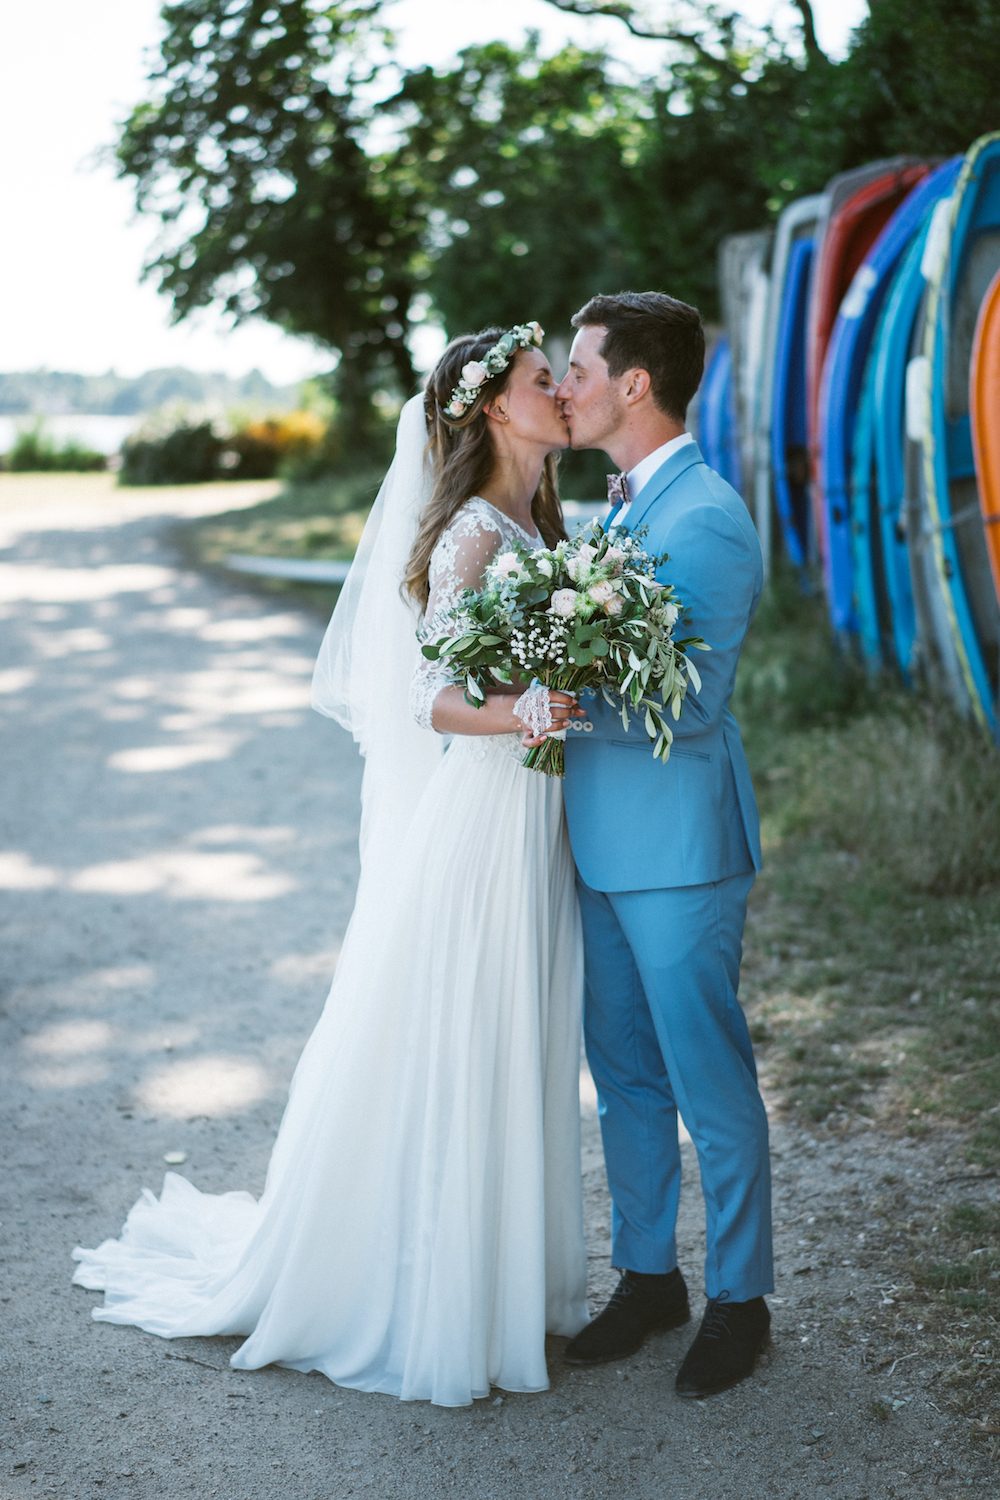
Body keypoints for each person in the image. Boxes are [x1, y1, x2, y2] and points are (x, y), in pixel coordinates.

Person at [72, 324, 589, 1408]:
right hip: (485, 815)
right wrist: (531, 709)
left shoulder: (545, 520)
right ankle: (434, 1293)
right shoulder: (468, 539)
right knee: (466, 1029)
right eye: (548, 382)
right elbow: (430, 700)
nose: (566, 394)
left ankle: (502, 1277)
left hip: (536, 811)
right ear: (497, 407)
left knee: (520, 1030)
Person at [554, 291, 774, 1398]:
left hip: (681, 849)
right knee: (625, 1078)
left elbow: (683, 705)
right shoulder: (618, 513)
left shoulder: (708, 520)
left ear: (634, 383)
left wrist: (548, 692)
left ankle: (741, 1299)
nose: (566, 386)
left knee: (705, 1080)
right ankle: (649, 1278)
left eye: (581, 368)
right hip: (598, 845)